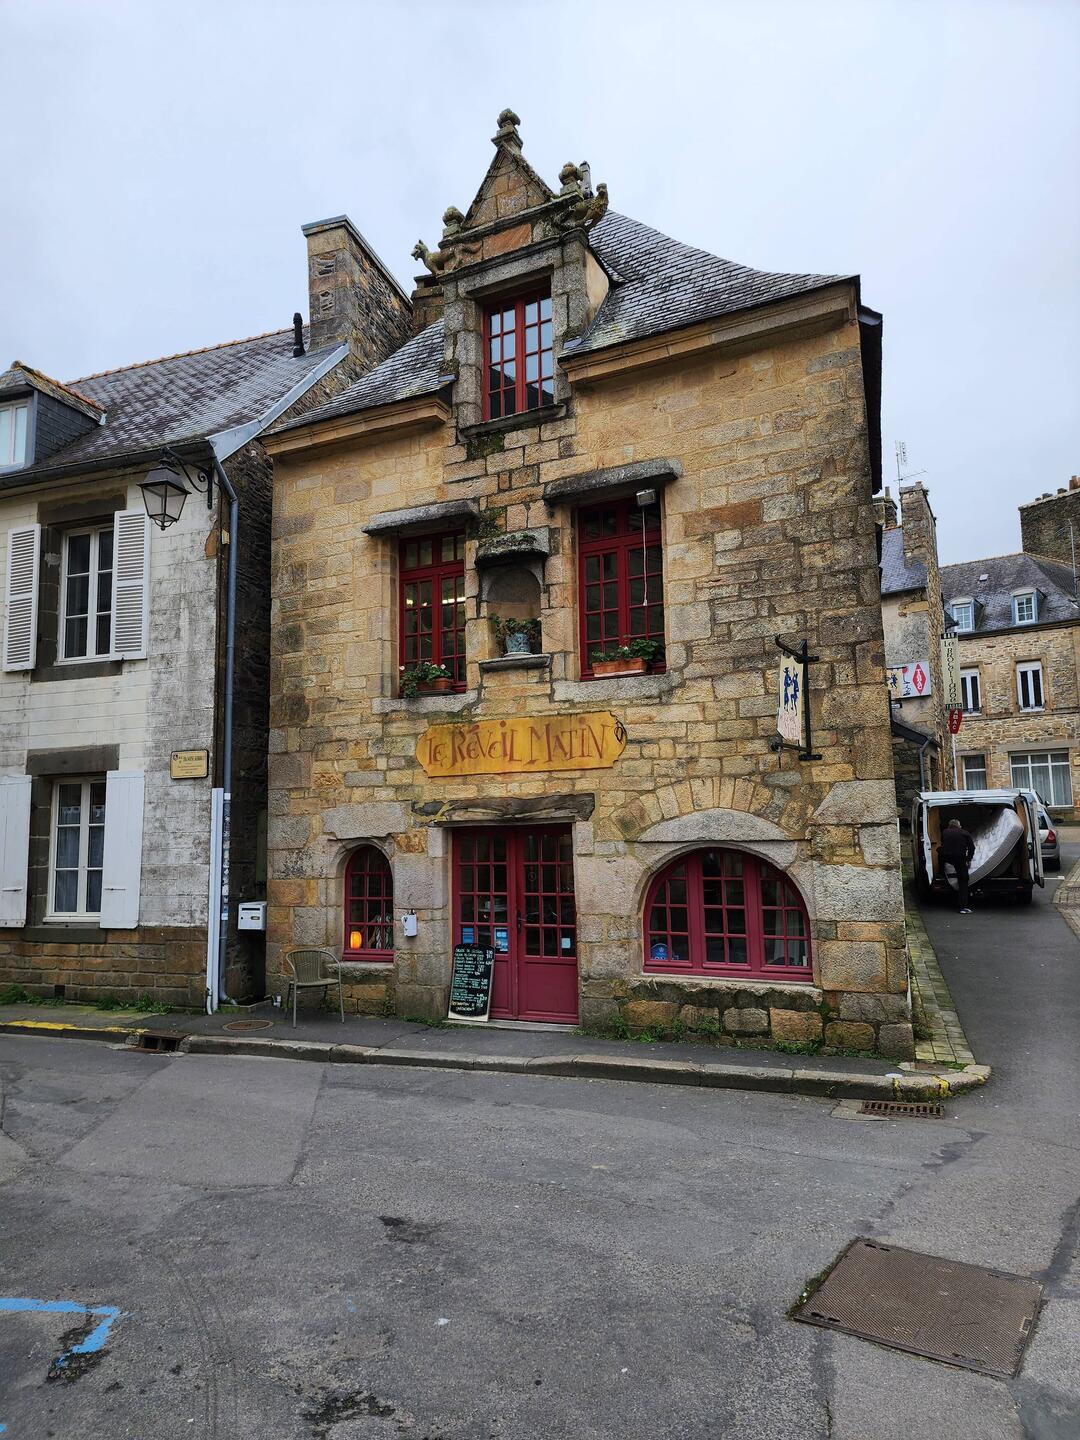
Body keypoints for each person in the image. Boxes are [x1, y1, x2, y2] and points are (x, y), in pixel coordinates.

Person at [940, 817, 976, 913]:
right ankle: (963, 907)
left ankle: (950, 900)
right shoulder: (965, 833)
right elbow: (972, 848)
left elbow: (943, 844)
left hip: (947, 860)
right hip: (960, 859)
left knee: (948, 879)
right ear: (958, 825)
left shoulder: (945, 832)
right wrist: (968, 859)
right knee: (963, 881)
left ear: (950, 825)